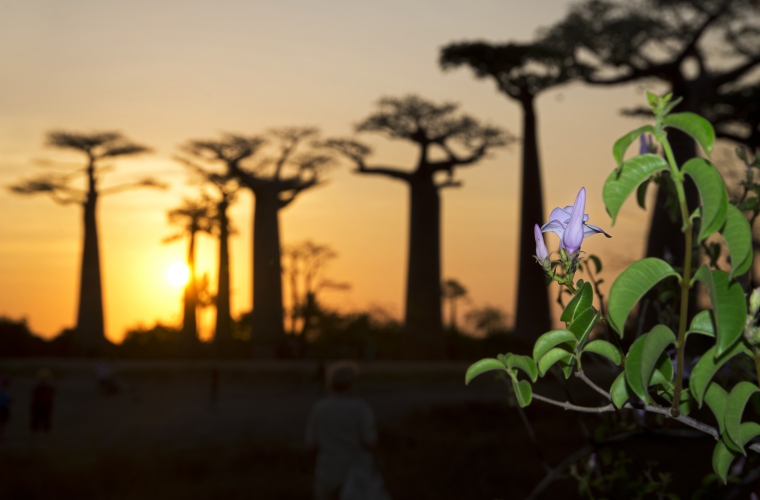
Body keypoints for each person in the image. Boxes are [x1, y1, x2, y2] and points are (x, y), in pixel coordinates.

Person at [305, 361, 389, 500]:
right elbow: (371, 443)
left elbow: (311, 446)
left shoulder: (319, 409)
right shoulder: (360, 408)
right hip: (356, 474)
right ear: (352, 383)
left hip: (327, 472)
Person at [30, 368, 55, 433]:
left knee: (41, 419)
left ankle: (40, 429)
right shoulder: (47, 389)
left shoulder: (39, 388)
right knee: (42, 419)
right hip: (43, 405)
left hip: (42, 405)